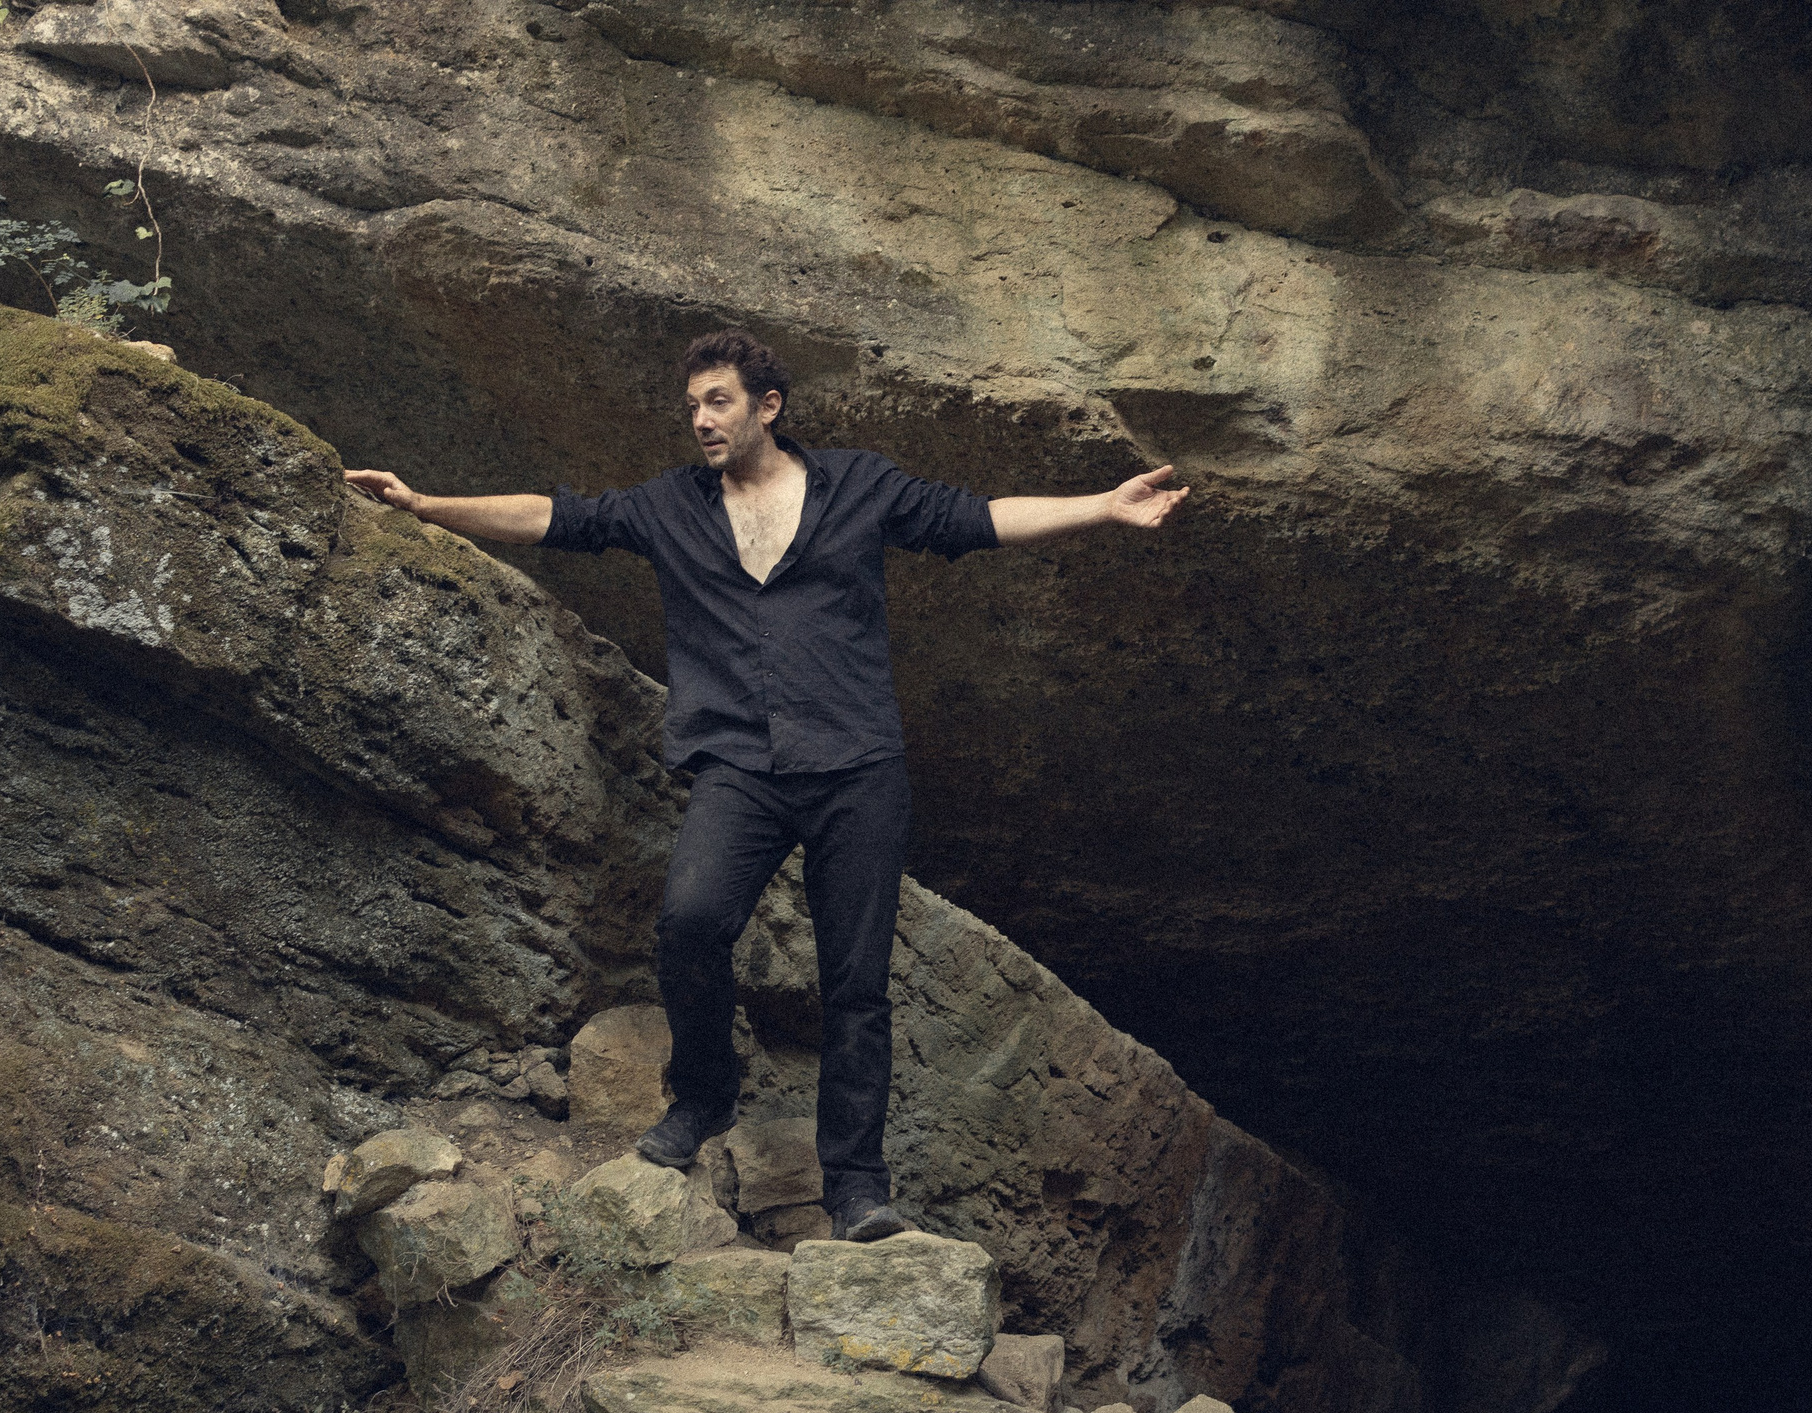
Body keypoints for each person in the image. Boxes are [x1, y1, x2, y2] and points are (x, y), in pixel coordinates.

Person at [345, 327, 1188, 1241]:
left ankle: (857, 1186)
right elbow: (558, 517)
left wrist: (1104, 506)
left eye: (719, 402)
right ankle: (703, 1097)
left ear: (767, 407)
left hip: (859, 769)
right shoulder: (670, 506)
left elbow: (978, 519)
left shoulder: (861, 486)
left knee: (856, 983)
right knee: (691, 921)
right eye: (694, 406)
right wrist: (425, 504)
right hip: (740, 766)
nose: (702, 421)